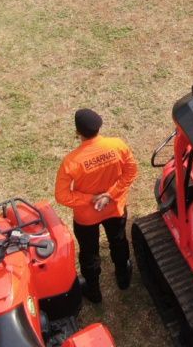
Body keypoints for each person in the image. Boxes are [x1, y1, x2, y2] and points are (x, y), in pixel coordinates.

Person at [55, 108, 138, 303]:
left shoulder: (71, 161)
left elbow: (62, 195)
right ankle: (123, 278)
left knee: (89, 252)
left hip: (86, 217)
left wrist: (90, 199)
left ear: (78, 132)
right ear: (99, 126)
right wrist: (110, 195)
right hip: (114, 208)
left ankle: (93, 291)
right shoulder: (117, 145)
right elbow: (131, 171)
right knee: (118, 242)